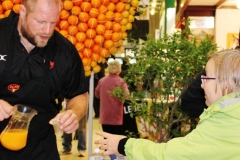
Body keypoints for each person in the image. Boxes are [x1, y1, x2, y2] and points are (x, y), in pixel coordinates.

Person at [95, 49, 240, 160]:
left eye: (206, 78)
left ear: (226, 84)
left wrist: (123, 145)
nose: (202, 85)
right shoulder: (229, 115)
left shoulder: (223, 122)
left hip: (105, 115)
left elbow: (168, 155)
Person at [0, 0, 89, 159]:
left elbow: (79, 94)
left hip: (40, 149)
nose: (47, 30)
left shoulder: (64, 52)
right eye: (40, 21)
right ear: (22, 12)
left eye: (53, 22)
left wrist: (73, 113)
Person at [95, 60, 130, 135]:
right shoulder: (121, 82)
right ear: (119, 69)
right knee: (117, 139)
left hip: (105, 115)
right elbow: (127, 96)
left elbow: (97, 95)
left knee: (106, 138)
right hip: (117, 116)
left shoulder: (101, 81)